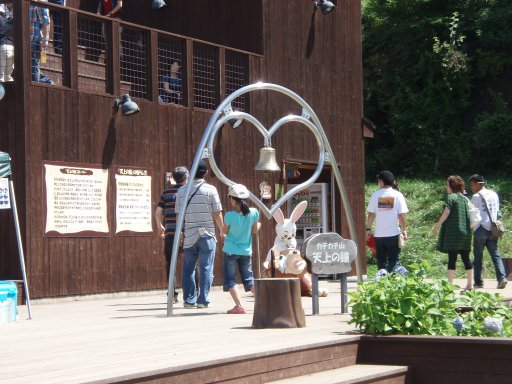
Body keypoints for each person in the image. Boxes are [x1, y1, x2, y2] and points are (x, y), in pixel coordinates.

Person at [175, 160, 224, 308]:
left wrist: (180, 233)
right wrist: (222, 230)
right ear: (206, 173)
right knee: (206, 267)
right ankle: (202, 300)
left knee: (188, 268)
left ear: (191, 172)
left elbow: (179, 215)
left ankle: (189, 300)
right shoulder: (211, 190)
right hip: (207, 234)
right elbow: (217, 213)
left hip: (189, 234)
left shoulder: (181, 191)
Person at [222, 184, 260, 314]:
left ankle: (239, 305)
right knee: (248, 279)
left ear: (232, 199)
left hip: (231, 250)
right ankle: (262, 301)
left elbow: (224, 231)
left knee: (230, 279)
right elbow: (255, 231)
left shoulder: (229, 216)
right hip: (246, 251)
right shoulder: (254, 212)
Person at [432, 176, 473, 291]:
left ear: (452, 186)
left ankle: (449, 286)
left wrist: (437, 226)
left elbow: (446, 212)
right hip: (466, 232)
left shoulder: (451, 197)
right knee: (466, 258)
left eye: (447, 184)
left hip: (453, 233)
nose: (446, 187)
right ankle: (470, 284)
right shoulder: (464, 199)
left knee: (452, 259)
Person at [155, 166, 189, 303]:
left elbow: (158, 212)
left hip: (170, 233)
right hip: (187, 233)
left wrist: (159, 226)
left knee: (171, 264)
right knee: (191, 263)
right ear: (186, 177)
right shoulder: (188, 192)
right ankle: (194, 292)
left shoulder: (166, 193)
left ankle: (172, 294)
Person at [469, 174, 507, 289]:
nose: (471, 187)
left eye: (472, 185)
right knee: (495, 254)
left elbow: (472, 214)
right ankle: (502, 278)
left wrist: (471, 227)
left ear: (478, 184)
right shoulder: (494, 194)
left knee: (478, 256)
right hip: (493, 229)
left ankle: (478, 282)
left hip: (480, 228)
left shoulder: (476, 197)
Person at [366, 170, 409, 272]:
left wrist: (368, 229)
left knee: (381, 261)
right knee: (394, 260)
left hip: (379, 235)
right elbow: (401, 215)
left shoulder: (375, 195)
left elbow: (371, 214)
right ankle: (393, 282)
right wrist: (404, 230)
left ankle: (382, 282)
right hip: (393, 234)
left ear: (381, 181)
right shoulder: (398, 195)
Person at [30, 0, 53, 84]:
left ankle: (35, 89)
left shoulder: (40, 1)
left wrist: (45, 41)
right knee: (30, 67)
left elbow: (46, 22)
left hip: (34, 40)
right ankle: (49, 83)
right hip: (22, 39)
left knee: (34, 67)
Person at [0, 3, 14, 82]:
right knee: (8, 76)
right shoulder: (12, 21)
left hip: (2, 47)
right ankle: (11, 92)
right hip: (11, 48)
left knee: (1, 76)